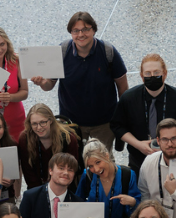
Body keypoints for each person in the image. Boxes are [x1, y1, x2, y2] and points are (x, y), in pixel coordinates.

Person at [31, 12, 128, 147]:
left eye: (85, 29)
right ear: (70, 33)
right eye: (75, 31)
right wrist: (42, 82)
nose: (80, 34)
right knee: (73, 163)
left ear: (93, 30)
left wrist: (122, 118)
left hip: (104, 124)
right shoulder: (62, 51)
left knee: (103, 161)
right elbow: (49, 85)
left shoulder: (108, 52)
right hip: (71, 124)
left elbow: (123, 88)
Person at [111, 54, 176, 174]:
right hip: (138, 158)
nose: (152, 76)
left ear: (165, 74)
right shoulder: (128, 99)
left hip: (173, 159)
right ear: (142, 76)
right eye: (148, 73)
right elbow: (117, 126)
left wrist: (172, 145)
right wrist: (138, 145)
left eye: (156, 72)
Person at [76, 139, 141, 218]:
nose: (95, 169)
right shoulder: (87, 176)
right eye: (90, 166)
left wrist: (133, 202)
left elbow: (138, 208)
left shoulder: (127, 175)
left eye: (98, 162)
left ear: (106, 156)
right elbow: (77, 203)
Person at [19, 152, 83, 218]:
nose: (66, 173)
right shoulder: (31, 196)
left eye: (70, 170)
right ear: (50, 170)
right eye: (61, 168)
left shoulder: (78, 203)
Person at [17, 103, 81, 190]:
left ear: (51, 120)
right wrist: (39, 193)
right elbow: (28, 171)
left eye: (43, 122)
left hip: (64, 187)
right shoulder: (25, 139)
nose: (39, 128)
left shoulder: (68, 138)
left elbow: (71, 169)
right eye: (34, 124)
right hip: (37, 188)